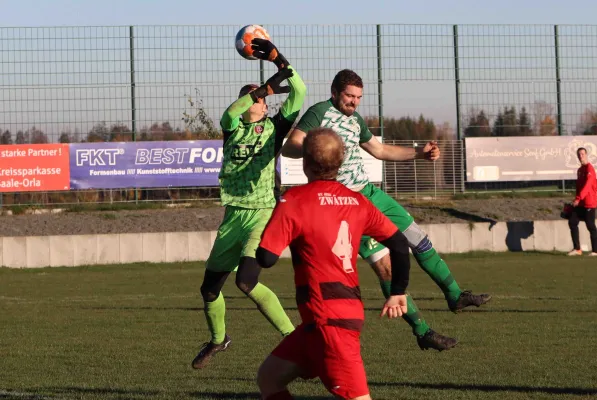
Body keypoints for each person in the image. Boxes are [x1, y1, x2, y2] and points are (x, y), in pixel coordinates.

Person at [281, 69, 491, 351]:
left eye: (358, 97)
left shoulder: (355, 120)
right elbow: (291, 147)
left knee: (418, 239)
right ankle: (422, 331)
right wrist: (315, 147)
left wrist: (419, 153)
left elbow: (379, 151)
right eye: (349, 96)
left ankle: (455, 295)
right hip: (344, 206)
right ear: (334, 93)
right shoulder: (319, 113)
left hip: (371, 194)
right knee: (385, 268)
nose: (354, 102)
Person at [255, 128, 411, 400]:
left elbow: (266, 258)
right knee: (269, 377)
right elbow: (399, 244)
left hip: (327, 320)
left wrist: (269, 222)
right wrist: (398, 291)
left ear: (304, 162)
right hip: (330, 316)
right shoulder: (357, 201)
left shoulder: (294, 200)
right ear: (340, 163)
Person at [191, 38, 306, 369]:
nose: (261, 102)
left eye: (263, 99)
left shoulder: (274, 128)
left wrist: (278, 59)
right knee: (209, 289)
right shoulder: (231, 128)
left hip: (262, 214)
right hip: (233, 218)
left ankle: (294, 338)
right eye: (254, 98)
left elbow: (298, 90)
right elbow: (231, 111)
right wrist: (262, 90)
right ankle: (218, 340)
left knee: (246, 281)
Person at [567, 147, 597, 256]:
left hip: (589, 202)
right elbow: (579, 187)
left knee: (590, 226)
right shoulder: (580, 170)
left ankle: (595, 251)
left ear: (586, 155)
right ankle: (577, 249)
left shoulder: (590, 168)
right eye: (579, 154)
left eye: (583, 154)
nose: (581, 156)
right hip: (580, 203)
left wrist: (579, 198)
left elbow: (588, 186)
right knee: (572, 221)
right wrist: (576, 200)